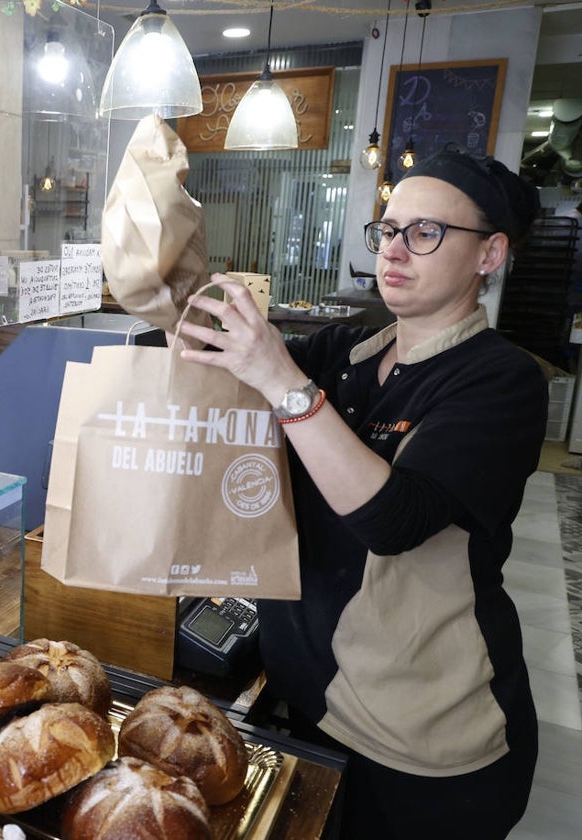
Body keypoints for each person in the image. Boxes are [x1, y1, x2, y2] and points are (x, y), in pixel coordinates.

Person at [176, 148, 545, 838]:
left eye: (426, 232)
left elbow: (392, 518)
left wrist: (282, 382)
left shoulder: (500, 381)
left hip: (419, 742)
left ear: (489, 254)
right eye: (388, 228)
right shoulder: (346, 354)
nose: (395, 249)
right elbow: (213, 363)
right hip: (307, 702)